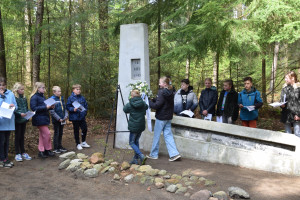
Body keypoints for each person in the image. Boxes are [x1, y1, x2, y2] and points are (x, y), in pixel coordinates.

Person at [147, 76, 181, 162]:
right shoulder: (171, 91)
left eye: (160, 83)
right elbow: (162, 102)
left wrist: (148, 102)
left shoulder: (161, 92)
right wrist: (154, 99)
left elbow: (156, 106)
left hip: (161, 117)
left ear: (164, 84)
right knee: (168, 135)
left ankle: (154, 154)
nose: (159, 84)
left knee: (156, 136)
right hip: (168, 117)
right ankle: (174, 154)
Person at [30, 82, 55, 158]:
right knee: (47, 134)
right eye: (43, 88)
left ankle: (41, 151)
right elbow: (34, 108)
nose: (44, 89)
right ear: (38, 88)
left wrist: (50, 107)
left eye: (44, 87)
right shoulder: (34, 97)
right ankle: (48, 149)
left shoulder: (43, 97)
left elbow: (44, 107)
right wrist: (46, 107)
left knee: (42, 135)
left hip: (44, 118)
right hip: (38, 118)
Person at [123, 89, 148, 165]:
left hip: (133, 127)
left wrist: (129, 100)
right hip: (140, 126)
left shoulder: (130, 104)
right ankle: (135, 159)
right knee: (136, 141)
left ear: (132, 96)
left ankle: (141, 155)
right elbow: (146, 107)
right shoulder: (143, 103)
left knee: (131, 142)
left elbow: (125, 109)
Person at [0, 77, 17, 168]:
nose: (1, 87)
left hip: (9, 121)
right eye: (0, 85)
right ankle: (1, 160)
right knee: (1, 142)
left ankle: (5, 158)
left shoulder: (10, 94)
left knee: (6, 141)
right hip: (1, 122)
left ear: (5, 85)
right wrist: (1, 97)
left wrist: (13, 106)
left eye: (3, 85)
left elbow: (16, 106)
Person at [66, 84, 90, 150]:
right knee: (76, 130)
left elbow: (86, 106)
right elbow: (67, 107)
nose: (79, 91)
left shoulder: (82, 98)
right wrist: (73, 109)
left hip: (82, 117)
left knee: (84, 129)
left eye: (79, 89)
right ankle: (78, 143)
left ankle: (83, 142)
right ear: (73, 90)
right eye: (77, 89)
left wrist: (84, 112)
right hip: (75, 117)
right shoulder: (70, 98)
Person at [13, 82, 32, 162]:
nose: (23, 91)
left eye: (23, 89)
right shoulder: (14, 98)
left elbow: (26, 108)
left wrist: (29, 114)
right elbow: (14, 110)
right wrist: (19, 114)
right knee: (17, 136)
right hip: (17, 120)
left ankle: (23, 152)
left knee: (22, 136)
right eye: (21, 89)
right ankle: (17, 153)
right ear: (17, 90)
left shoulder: (24, 98)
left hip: (24, 119)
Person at [280, 71, 300, 136]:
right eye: (285, 78)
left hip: (296, 115)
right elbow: (282, 100)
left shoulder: (298, 88)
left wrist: (298, 114)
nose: (285, 80)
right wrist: (281, 105)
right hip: (286, 114)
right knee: (287, 135)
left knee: (297, 134)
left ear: (293, 78)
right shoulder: (284, 88)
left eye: (287, 78)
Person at [50, 86, 68, 154]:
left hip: (63, 119)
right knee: (56, 133)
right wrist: (58, 118)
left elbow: (64, 107)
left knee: (61, 133)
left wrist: (66, 115)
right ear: (54, 92)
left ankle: (60, 146)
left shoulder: (61, 98)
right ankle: (56, 147)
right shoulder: (52, 99)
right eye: (58, 91)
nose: (60, 92)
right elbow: (52, 111)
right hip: (56, 120)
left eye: (60, 91)